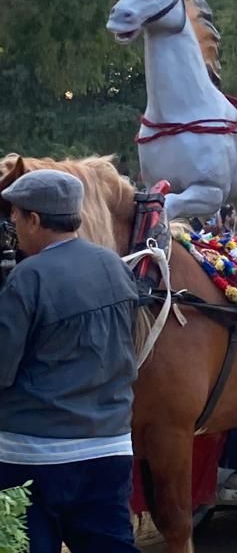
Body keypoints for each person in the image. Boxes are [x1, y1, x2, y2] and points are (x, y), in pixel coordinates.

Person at [0, 170, 139, 552]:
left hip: (32, 458)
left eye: (15, 215)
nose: (12, 223)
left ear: (34, 219)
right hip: (110, 448)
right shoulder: (114, 265)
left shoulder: (28, 278)